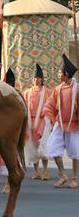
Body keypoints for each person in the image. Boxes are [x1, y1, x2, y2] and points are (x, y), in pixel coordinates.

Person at [43, 54, 79, 189]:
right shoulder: (58, 89)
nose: (58, 74)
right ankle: (63, 175)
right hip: (60, 123)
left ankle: (74, 178)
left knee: (75, 151)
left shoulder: (78, 89)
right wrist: (52, 119)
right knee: (53, 148)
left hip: (74, 125)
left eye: (60, 72)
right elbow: (49, 105)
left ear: (67, 74)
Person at [22, 64, 53, 180]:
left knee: (43, 146)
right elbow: (23, 106)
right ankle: (36, 171)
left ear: (42, 80)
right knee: (32, 147)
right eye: (35, 78)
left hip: (43, 121)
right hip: (30, 122)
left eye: (39, 78)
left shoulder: (48, 92)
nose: (37, 80)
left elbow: (52, 105)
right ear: (32, 79)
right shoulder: (27, 92)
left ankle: (45, 171)